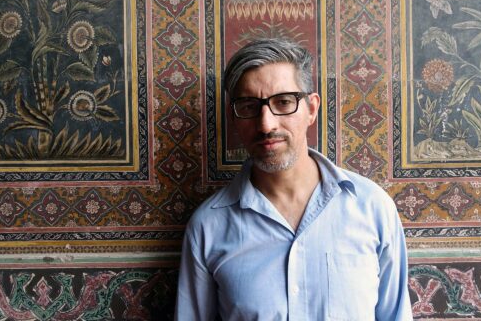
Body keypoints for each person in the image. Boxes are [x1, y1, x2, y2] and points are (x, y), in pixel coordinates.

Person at [175, 39, 413, 320]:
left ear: (311, 109)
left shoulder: (372, 208)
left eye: (284, 102)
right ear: (234, 117)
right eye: (250, 106)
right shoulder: (208, 227)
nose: (267, 124)